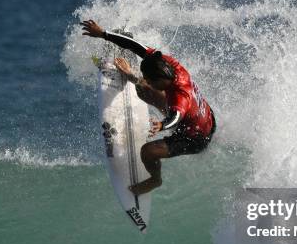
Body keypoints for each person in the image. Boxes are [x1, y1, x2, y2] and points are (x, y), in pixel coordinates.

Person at [81, 19, 216, 195]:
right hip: (203, 117)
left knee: (148, 151)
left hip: (195, 138)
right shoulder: (168, 64)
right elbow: (136, 46)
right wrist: (103, 34)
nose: (148, 80)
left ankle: (155, 180)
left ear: (160, 79)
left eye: (151, 79)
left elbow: (175, 117)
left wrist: (162, 125)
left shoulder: (181, 96)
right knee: (143, 89)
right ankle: (132, 77)